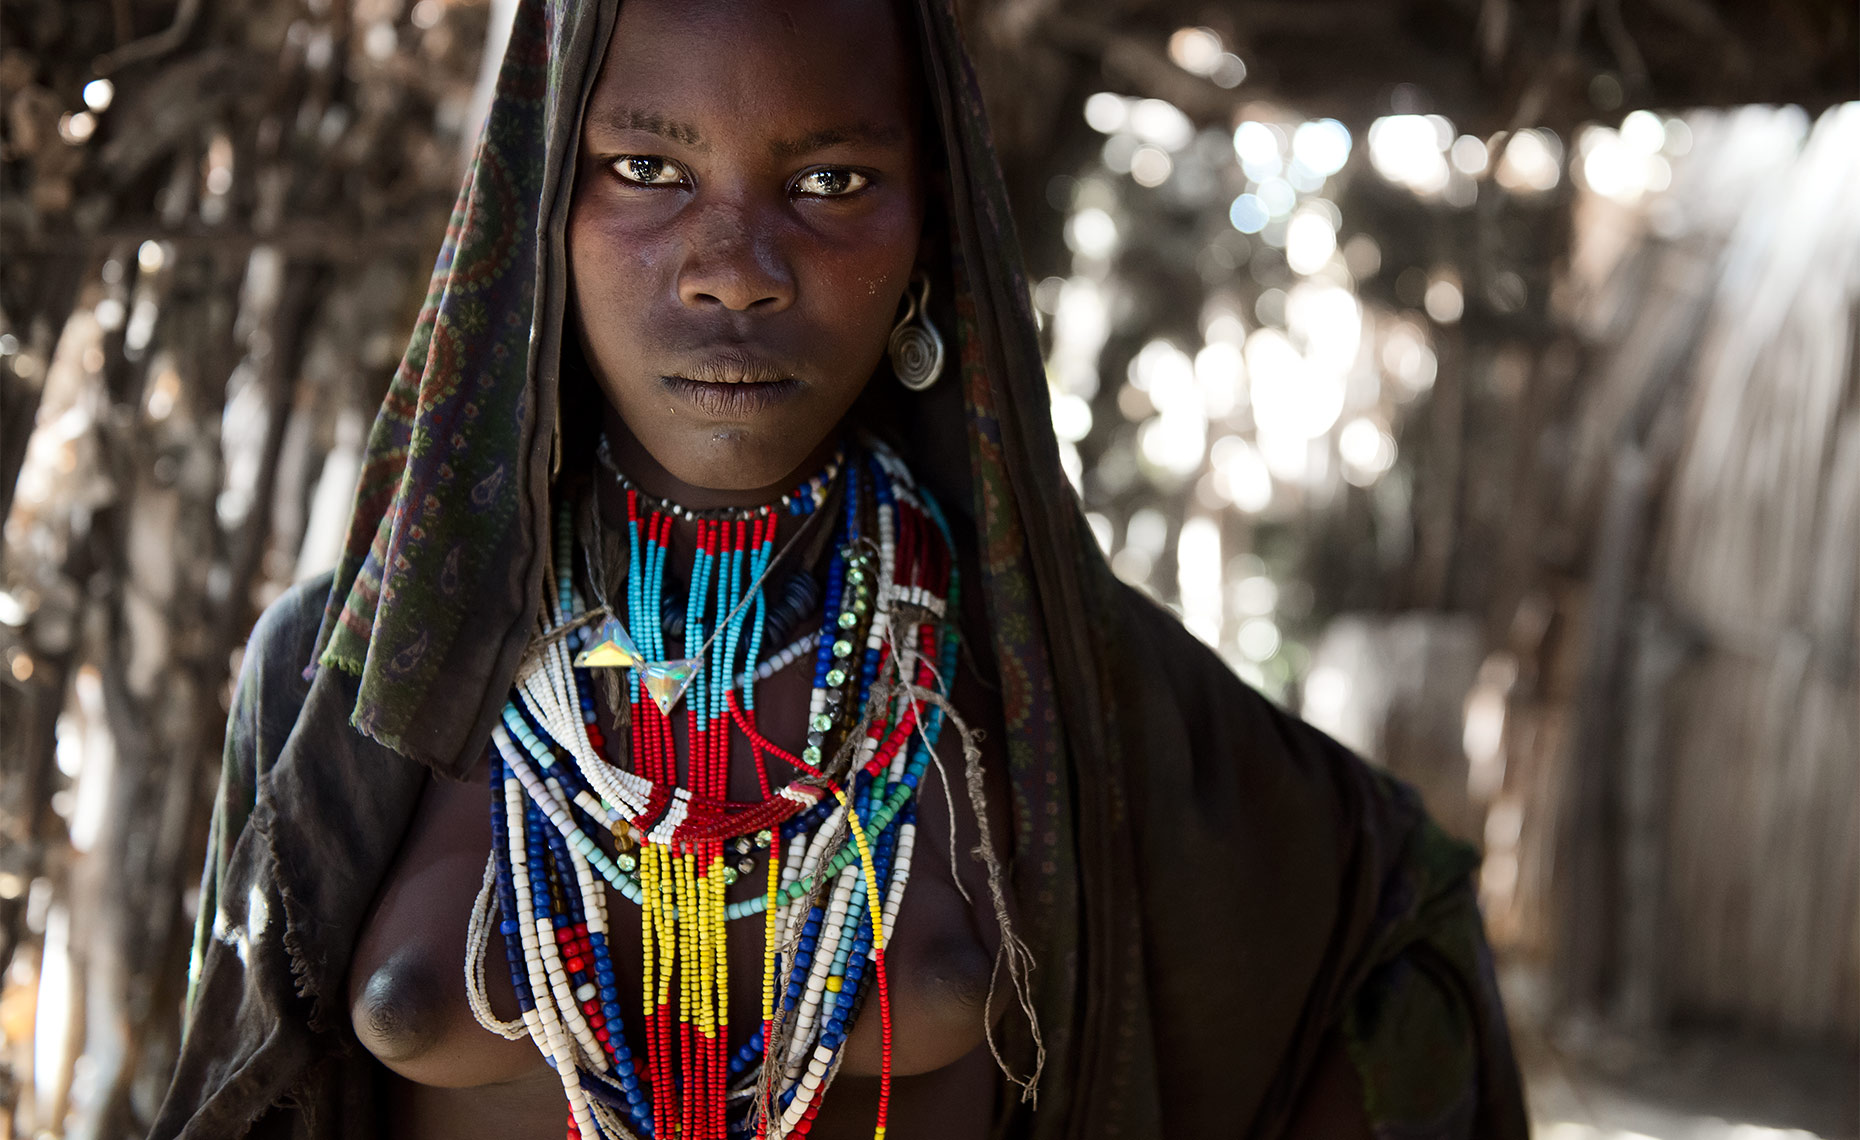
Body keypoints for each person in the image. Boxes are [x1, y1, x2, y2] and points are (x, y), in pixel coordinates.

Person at [152, 1, 1529, 1137]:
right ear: (535, 223)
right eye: (646, 170)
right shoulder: (349, 677)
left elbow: (1389, 929)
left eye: (830, 183)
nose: (735, 268)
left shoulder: (1050, 681)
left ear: (929, 233)